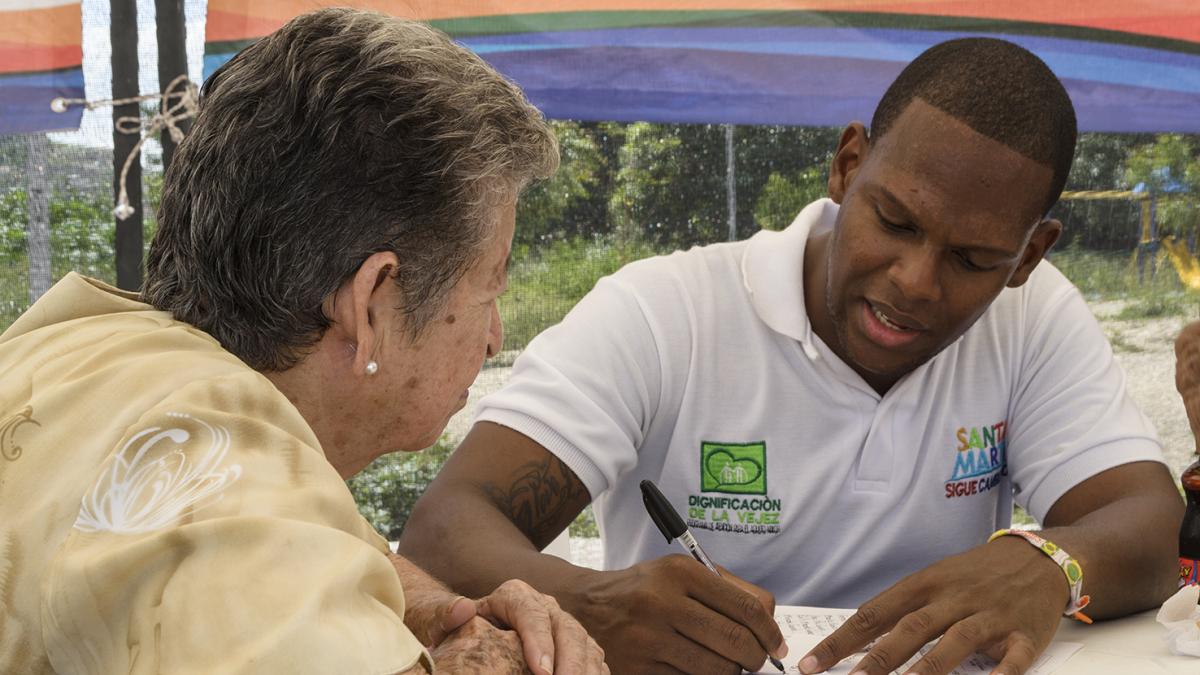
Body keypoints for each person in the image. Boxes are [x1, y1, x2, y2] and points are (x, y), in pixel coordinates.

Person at [398, 37, 1185, 674]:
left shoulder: (1034, 318)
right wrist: (594, 602)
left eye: (974, 259)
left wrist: (1048, 563)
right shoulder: (665, 311)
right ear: (848, 166)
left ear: (1029, 255)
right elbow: (446, 527)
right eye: (897, 221)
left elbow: (1150, 523)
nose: (914, 281)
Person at [0, 8, 607, 675]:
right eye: (490, 289)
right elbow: (242, 536)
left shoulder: (85, 346)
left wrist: (433, 604)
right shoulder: (232, 472)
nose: (494, 337)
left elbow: (293, 542)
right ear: (370, 303)